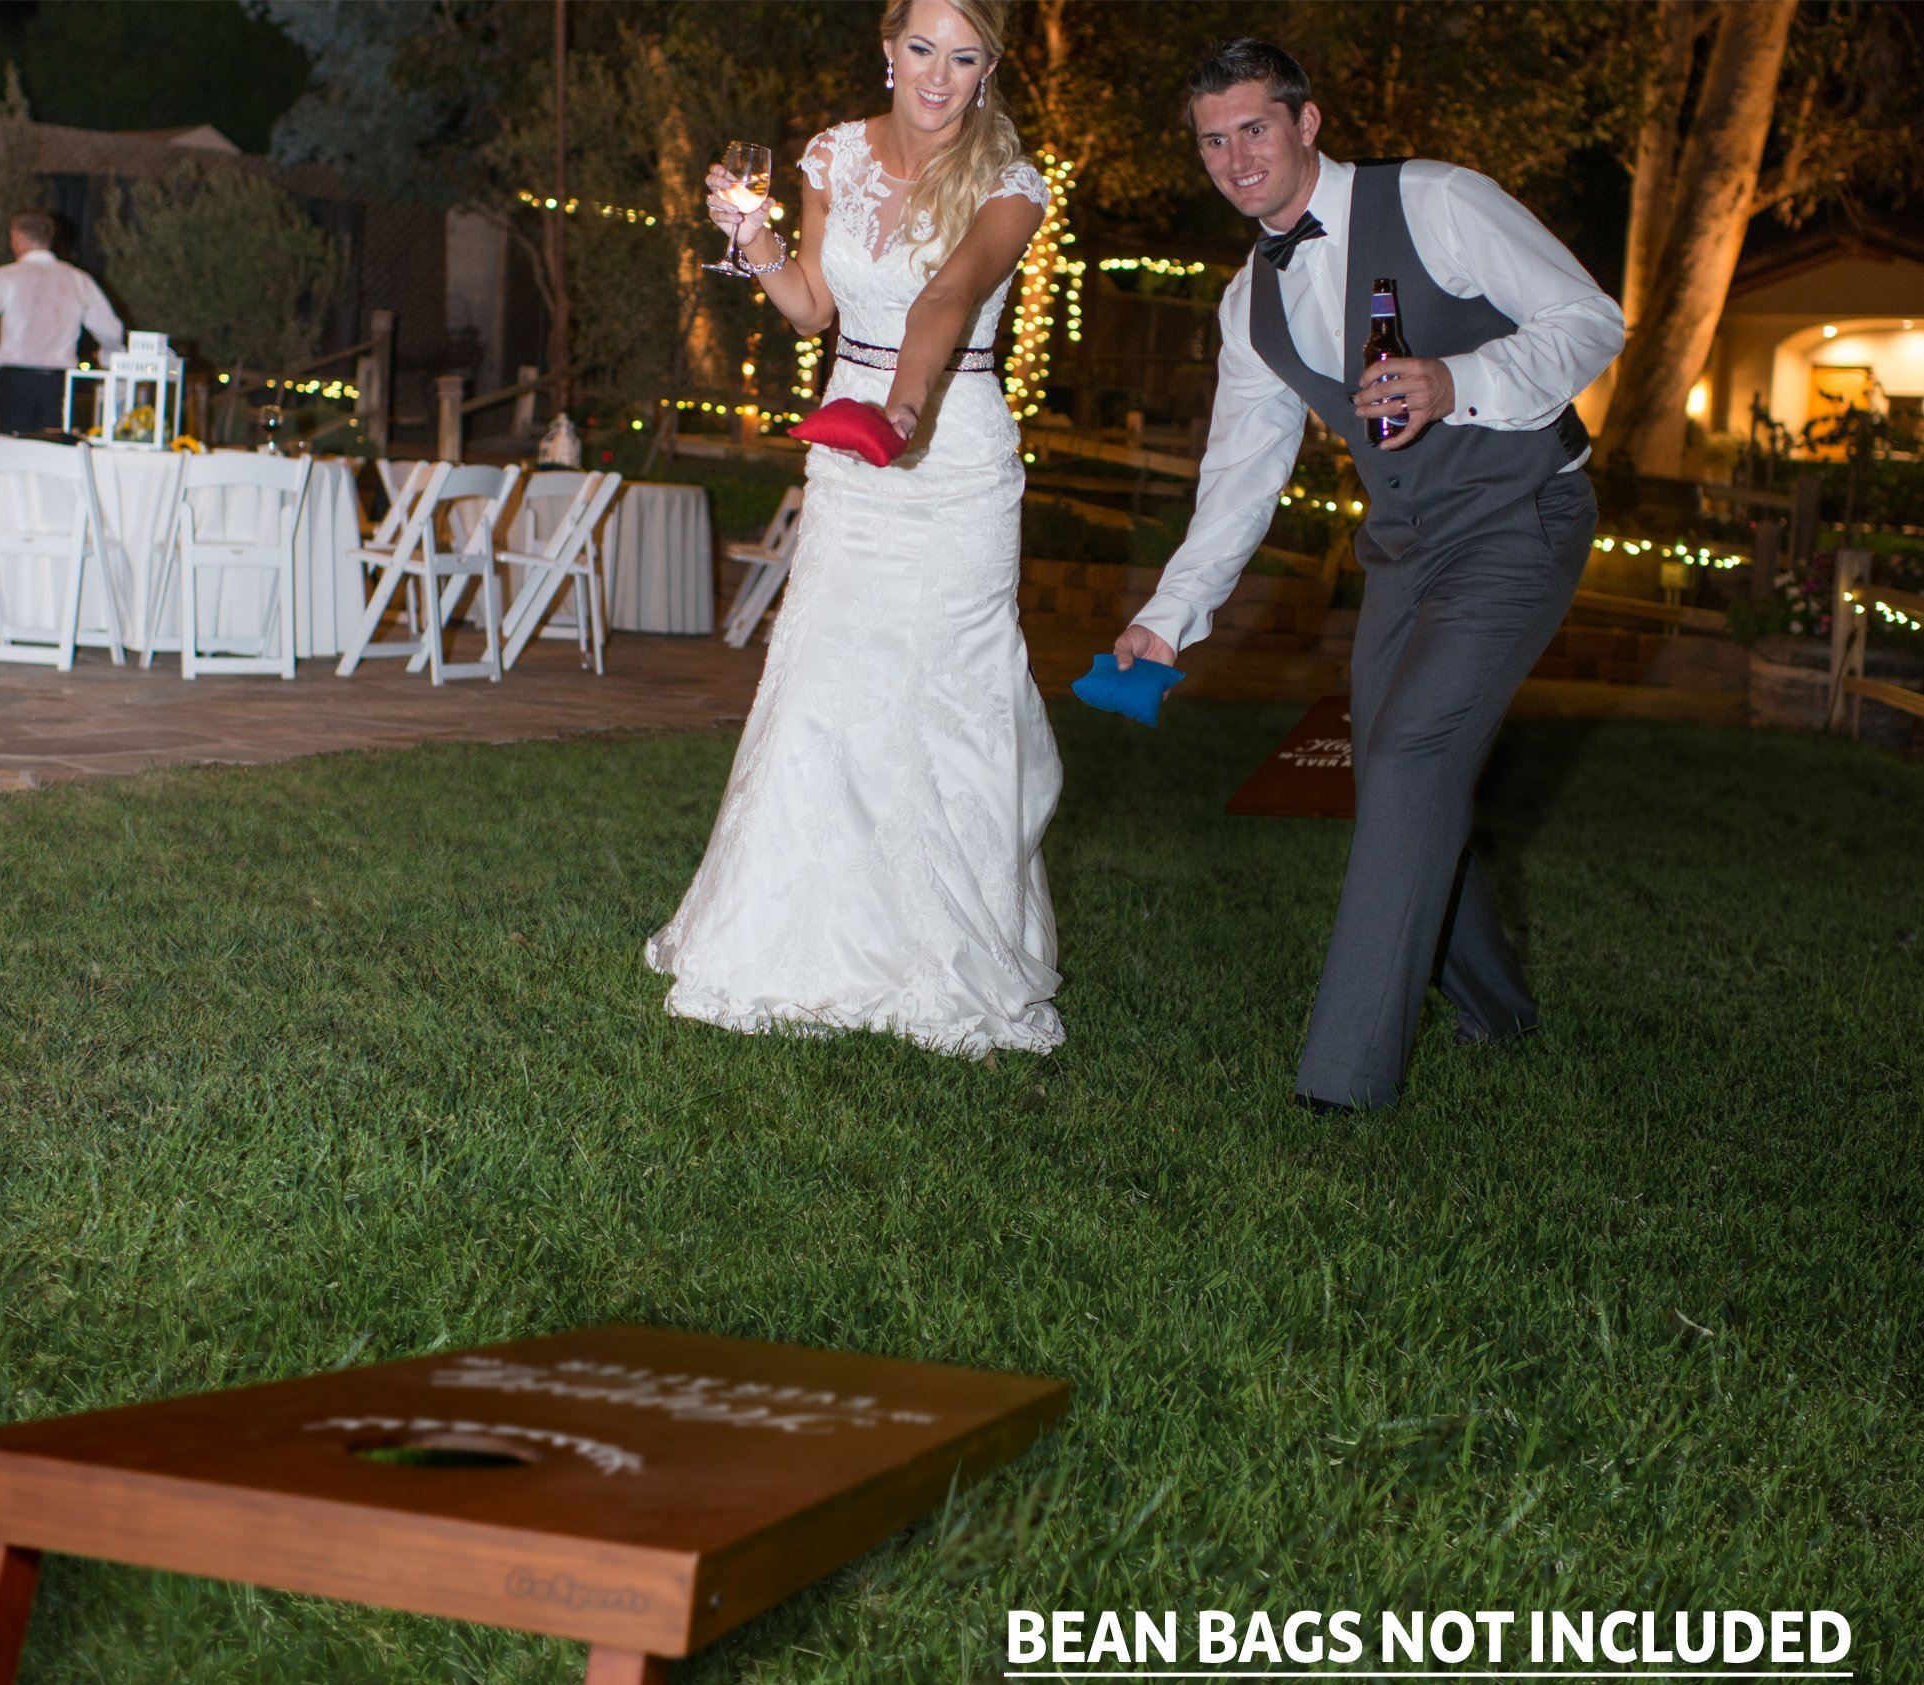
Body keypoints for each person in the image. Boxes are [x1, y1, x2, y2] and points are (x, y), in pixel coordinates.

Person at [1113, 39, 1625, 1113]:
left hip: (1521, 512)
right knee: (1392, 767)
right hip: (1404, 543)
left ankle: (1344, 1080)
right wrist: (1168, 620)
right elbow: (1239, 478)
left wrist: (1458, 377)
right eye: (1212, 139)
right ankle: (1496, 1007)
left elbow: (1591, 320)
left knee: (1407, 754)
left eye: (1254, 126)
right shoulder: (1249, 303)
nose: (1235, 155)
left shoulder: (1436, 200)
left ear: (1307, 123)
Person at [645, 0, 1065, 1058]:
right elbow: (811, 308)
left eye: (964, 57)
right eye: (921, 48)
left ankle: (953, 959)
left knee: (949, 694)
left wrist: (907, 411)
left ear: (989, 69)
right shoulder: (832, 153)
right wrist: (754, 238)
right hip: (851, 446)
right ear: (887, 50)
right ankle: (793, 942)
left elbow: (948, 300)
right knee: (827, 684)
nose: (938, 75)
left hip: (950, 450)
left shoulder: (1015, 182)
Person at [0, 212, 125, 437]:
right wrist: (111, 355)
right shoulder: (77, 279)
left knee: (15, 452)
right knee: (52, 451)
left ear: (18, 238)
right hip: (57, 385)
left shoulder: (9, 277)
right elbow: (110, 329)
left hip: (16, 382)